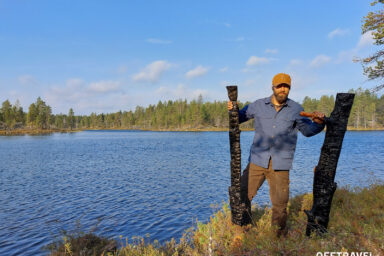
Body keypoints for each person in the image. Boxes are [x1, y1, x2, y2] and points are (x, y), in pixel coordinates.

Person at [227, 73, 325, 237]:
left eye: (286, 86)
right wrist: (233, 110)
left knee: (280, 206)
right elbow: (239, 117)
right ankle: (242, 230)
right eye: (279, 86)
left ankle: (278, 238)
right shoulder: (258, 105)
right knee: (241, 194)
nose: (282, 89)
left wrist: (319, 123)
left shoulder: (296, 109)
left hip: (281, 164)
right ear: (273, 87)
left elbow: (308, 131)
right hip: (257, 161)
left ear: (289, 88)